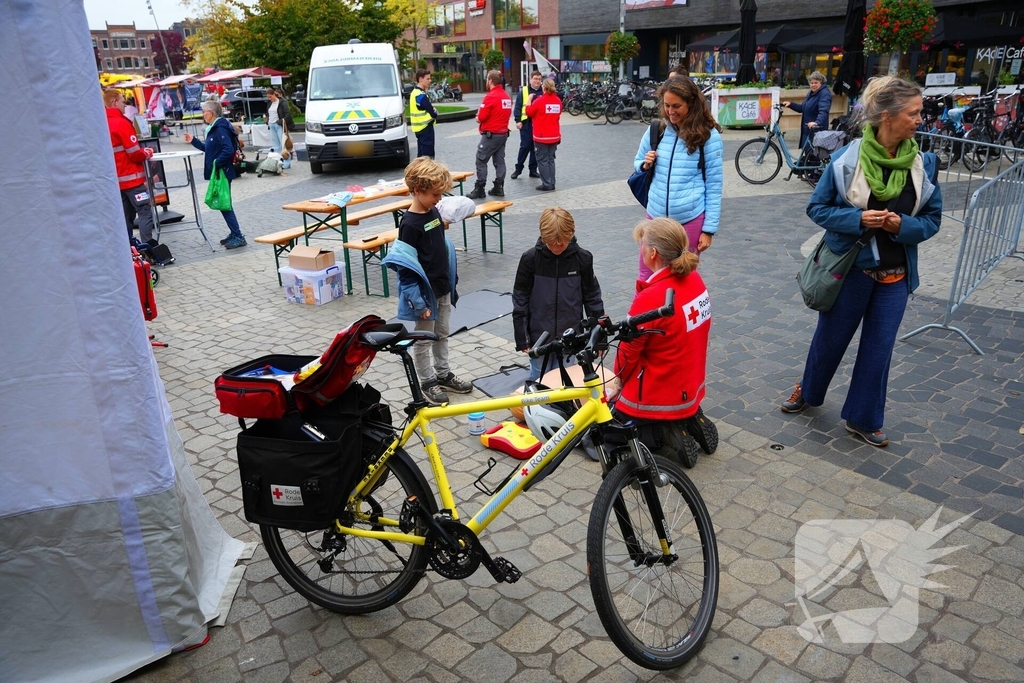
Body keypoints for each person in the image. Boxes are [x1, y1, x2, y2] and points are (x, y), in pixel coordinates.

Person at [780, 76, 942, 447]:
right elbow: (817, 207)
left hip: (895, 276)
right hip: (850, 270)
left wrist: (905, 225)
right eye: (913, 113)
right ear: (887, 116)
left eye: (921, 113)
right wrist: (857, 220)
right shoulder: (846, 160)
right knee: (831, 339)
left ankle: (863, 418)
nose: (920, 120)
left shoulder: (923, 164)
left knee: (879, 349)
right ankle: (810, 390)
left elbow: (932, 220)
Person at [606, 217, 716, 464]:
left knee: (609, 429)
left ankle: (666, 434)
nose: (640, 249)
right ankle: (687, 419)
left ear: (653, 252)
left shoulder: (652, 297)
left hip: (661, 386)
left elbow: (627, 354)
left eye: (642, 245)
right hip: (690, 380)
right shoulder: (694, 280)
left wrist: (617, 383)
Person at [380, 157, 474, 405]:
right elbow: (406, 268)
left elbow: (438, 244)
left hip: (442, 288)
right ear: (418, 191)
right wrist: (419, 304)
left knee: (442, 334)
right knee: (423, 341)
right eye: (435, 194)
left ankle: (443, 374)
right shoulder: (409, 225)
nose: (439, 199)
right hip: (425, 295)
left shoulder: (433, 210)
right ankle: (427, 381)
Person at [633, 76, 724, 278]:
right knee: (646, 276)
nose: (671, 112)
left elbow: (715, 186)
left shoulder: (708, 136)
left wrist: (709, 230)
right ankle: (640, 311)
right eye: (666, 105)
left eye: (677, 106)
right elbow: (638, 162)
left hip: (689, 221)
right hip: (655, 218)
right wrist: (645, 163)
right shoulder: (657, 130)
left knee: (681, 278)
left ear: (691, 103)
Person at [512, 207, 605, 380]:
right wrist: (522, 337)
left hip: (571, 338)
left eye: (561, 242)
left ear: (571, 234)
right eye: (552, 243)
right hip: (539, 338)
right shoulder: (530, 259)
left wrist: (598, 338)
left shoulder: (583, 259)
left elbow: (593, 299)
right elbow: (520, 299)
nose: (557, 247)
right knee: (541, 382)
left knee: (568, 382)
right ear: (543, 236)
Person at [183, 100, 247, 249]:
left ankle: (238, 236)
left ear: (211, 113)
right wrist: (194, 141)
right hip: (220, 172)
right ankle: (234, 233)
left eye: (204, 111)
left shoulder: (220, 128)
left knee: (225, 205)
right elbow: (210, 149)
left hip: (222, 173)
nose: (203, 115)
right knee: (224, 204)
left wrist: (216, 164)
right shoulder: (215, 128)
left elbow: (228, 150)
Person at [103, 89, 157, 247]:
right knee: (144, 210)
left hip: (116, 181)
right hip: (132, 179)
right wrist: (147, 152)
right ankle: (148, 247)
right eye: (122, 101)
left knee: (125, 215)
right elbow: (134, 153)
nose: (125, 106)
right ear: (114, 103)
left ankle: (128, 249)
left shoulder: (102, 123)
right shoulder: (121, 123)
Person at [466, 70, 512, 199]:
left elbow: (481, 117)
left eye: (487, 79)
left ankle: (480, 188)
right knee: (499, 160)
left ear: (490, 81)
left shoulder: (490, 96)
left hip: (491, 135)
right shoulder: (506, 97)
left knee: (481, 160)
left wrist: (477, 117)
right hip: (503, 134)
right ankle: (499, 187)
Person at [525, 78, 562, 192]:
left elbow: (529, 112)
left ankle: (547, 183)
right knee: (551, 159)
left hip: (542, 137)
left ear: (544, 88)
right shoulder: (558, 101)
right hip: (554, 136)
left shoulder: (540, 101)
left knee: (542, 160)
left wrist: (529, 100)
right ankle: (552, 182)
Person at [782, 70, 833, 151]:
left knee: (813, 157)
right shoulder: (812, 93)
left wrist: (817, 122)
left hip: (816, 131)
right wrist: (791, 104)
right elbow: (803, 108)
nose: (813, 85)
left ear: (821, 83)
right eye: (811, 83)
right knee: (807, 155)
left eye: (816, 82)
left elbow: (824, 111)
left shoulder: (824, 94)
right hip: (808, 130)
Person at [510, 70, 543, 180]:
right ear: (530, 80)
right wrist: (517, 120)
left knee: (536, 148)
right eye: (535, 79)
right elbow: (518, 107)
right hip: (526, 124)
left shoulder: (543, 91)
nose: (537, 81)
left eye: (539, 79)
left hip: (538, 124)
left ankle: (533, 170)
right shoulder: (524, 91)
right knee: (525, 146)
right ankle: (518, 169)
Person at [409, 69, 439, 158]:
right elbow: (432, 112)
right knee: (427, 157)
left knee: (421, 155)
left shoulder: (414, 92)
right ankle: (426, 172)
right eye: (428, 79)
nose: (430, 81)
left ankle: (419, 171)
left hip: (419, 129)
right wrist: (435, 112)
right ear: (421, 79)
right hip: (425, 128)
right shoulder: (420, 95)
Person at [267, 88, 285, 156]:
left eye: (270, 96)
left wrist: (280, 122)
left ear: (274, 94)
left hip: (278, 124)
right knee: (275, 144)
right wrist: (268, 121)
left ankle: (286, 161)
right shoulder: (270, 104)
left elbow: (287, 114)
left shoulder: (281, 102)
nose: (269, 98)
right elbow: (268, 113)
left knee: (282, 143)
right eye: (268, 97)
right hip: (271, 124)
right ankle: (277, 159)